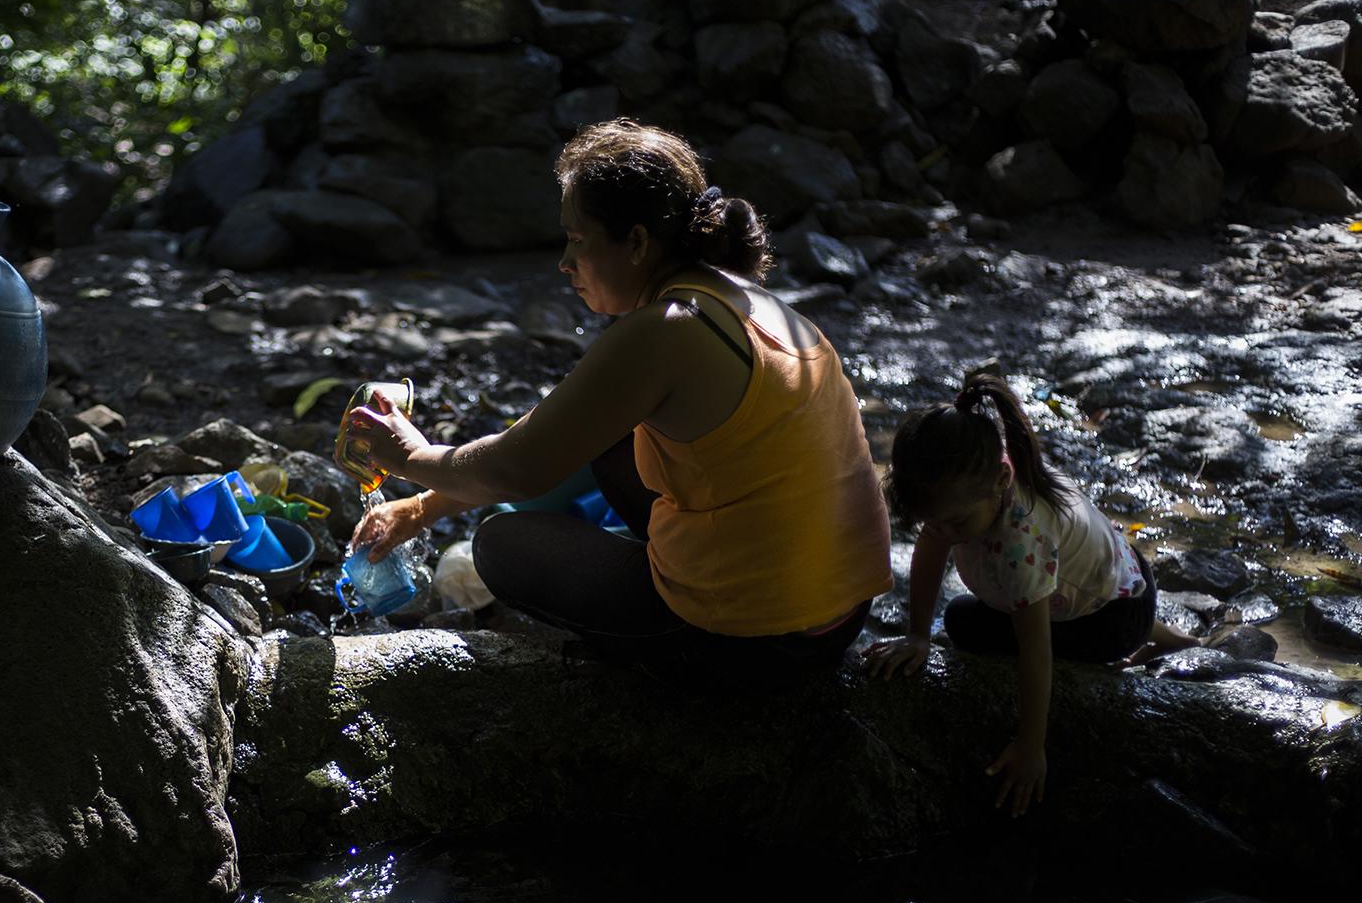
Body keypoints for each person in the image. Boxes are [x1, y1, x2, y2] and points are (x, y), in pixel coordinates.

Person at [344, 118, 891, 676]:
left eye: (578, 239)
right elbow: (555, 434)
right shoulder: (741, 300)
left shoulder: (668, 329)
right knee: (601, 442)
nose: (564, 262)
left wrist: (407, 457)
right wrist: (421, 507)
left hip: (758, 641)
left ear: (636, 241)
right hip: (841, 615)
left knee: (500, 545)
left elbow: (515, 469)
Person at [861, 376, 1194, 816]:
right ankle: (1161, 634)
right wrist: (917, 635)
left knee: (963, 622)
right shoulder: (981, 474)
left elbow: (1035, 650)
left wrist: (1031, 745)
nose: (942, 534)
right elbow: (929, 550)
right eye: (932, 522)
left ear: (1001, 480)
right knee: (965, 615)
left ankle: (1135, 639)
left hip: (1112, 618)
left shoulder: (1020, 542)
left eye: (956, 525)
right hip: (1123, 579)